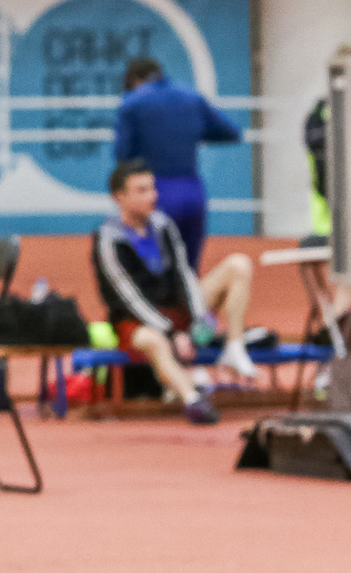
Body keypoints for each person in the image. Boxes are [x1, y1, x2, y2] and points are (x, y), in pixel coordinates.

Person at [93, 158, 258, 424]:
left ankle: (234, 347)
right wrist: (172, 332)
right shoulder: (107, 240)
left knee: (238, 265)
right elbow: (129, 298)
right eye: (142, 190)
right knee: (153, 341)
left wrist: (197, 319)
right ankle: (192, 398)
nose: (152, 196)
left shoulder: (163, 225)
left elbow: (185, 274)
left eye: (152, 188)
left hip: (178, 312)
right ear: (119, 197)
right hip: (137, 322)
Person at [109, 55, 242, 269]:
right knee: (188, 270)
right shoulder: (193, 97)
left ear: (135, 80)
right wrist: (191, 135)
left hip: (154, 191)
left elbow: (122, 154)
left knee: (155, 270)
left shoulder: (132, 103)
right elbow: (231, 133)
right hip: (192, 190)